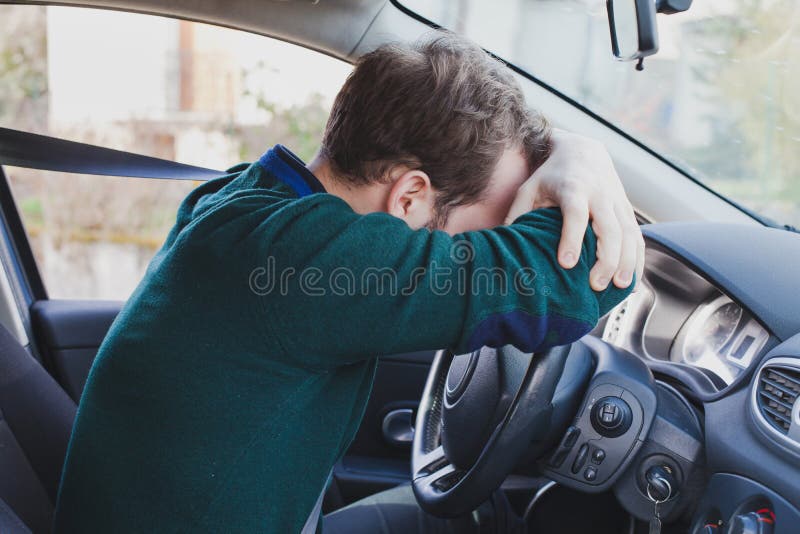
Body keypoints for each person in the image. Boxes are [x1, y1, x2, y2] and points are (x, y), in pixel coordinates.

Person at [54, 32, 643, 533]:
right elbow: (578, 283)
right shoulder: (310, 263)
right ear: (410, 195)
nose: (499, 242)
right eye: (496, 225)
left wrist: (566, 147)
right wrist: (584, 157)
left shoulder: (249, 201)